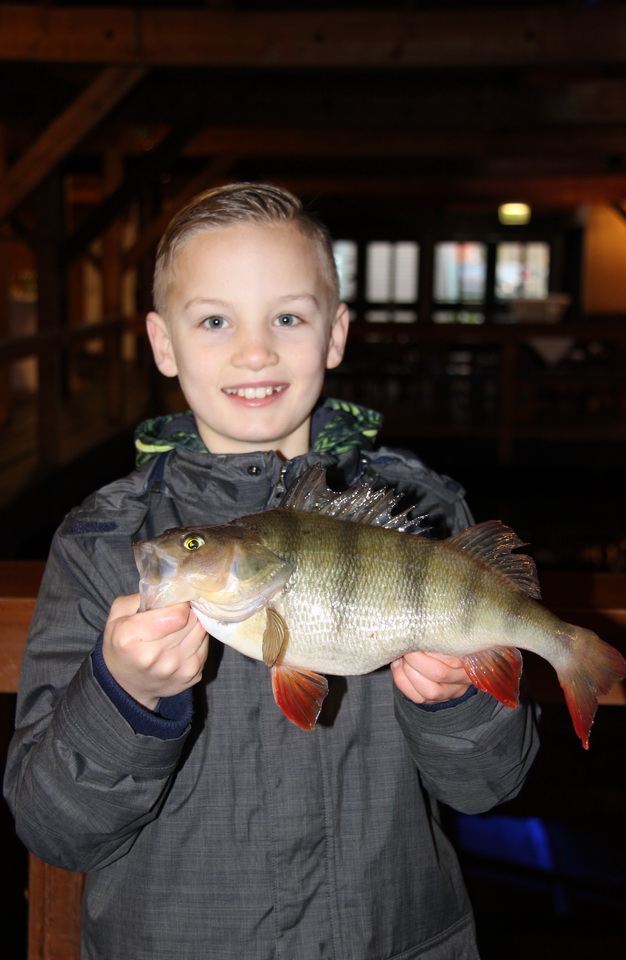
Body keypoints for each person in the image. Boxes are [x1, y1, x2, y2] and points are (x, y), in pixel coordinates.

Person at [4, 182, 539, 960]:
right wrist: (125, 697)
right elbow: (53, 826)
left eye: (287, 317)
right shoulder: (102, 543)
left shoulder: (422, 515)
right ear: (163, 343)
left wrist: (456, 703)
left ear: (335, 333)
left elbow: (491, 786)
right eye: (215, 320)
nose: (255, 351)